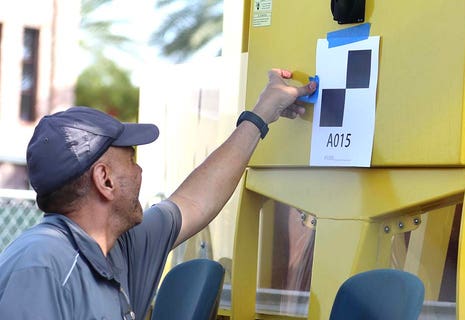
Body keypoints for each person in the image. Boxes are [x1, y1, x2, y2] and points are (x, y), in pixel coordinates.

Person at [0, 69, 317, 319]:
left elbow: (194, 200)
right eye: (131, 160)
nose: (139, 173)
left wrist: (260, 115)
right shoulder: (41, 267)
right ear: (105, 180)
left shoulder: (118, 247)